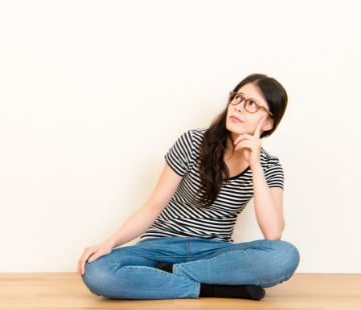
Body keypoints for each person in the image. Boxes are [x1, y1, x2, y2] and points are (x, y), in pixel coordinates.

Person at [77, 73, 300, 301]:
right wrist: (109, 243)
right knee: (97, 271)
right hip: (161, 246)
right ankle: (212, 289)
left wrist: (255, 165)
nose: (239, 107)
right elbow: (153, 207)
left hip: (214, 254)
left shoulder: (269, 166)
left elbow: (273, 233)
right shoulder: (192, 142)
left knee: (284, 256)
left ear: (269, 122)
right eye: (237, 98)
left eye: (251, 104)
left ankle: (165, 277)